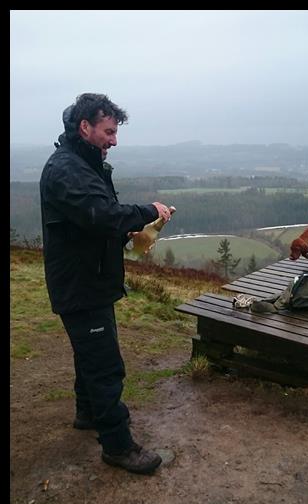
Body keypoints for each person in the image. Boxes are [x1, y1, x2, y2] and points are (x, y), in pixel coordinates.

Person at [39, 93, 171, 474]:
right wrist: (148, 212)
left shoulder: (85, 163)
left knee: (90, 354)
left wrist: (128, 232)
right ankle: (118, 445)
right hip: (81, 283)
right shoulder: (67, 169)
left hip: (88, 277)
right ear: (86, 127)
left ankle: (87, 413)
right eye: (109, 131)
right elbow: (102, 214)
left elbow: (91, 220)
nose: (114, 140)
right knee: (105, 365)